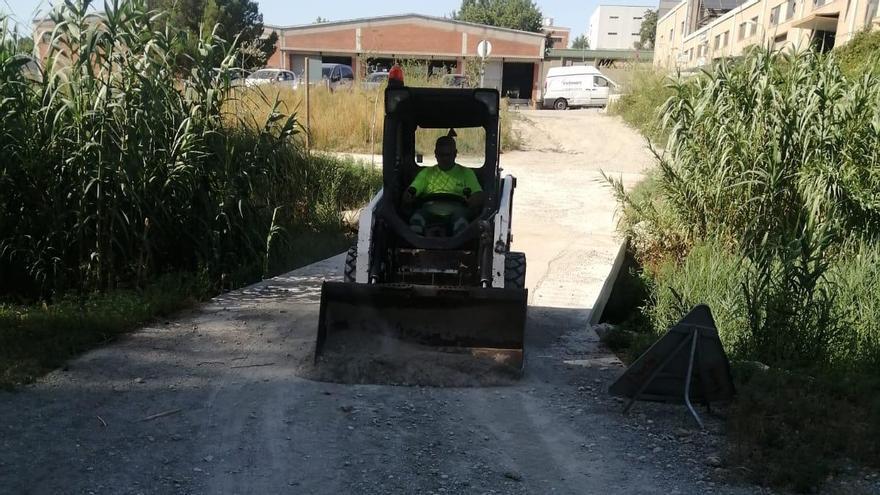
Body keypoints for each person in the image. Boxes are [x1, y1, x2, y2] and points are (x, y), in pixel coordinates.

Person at [402, 135, 486, 236]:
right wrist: (408, 196)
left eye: (448, 155)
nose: (445, 158)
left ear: (455, 154)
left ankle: (461, 249)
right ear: (436, 154)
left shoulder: (466, 173)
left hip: (457, 211)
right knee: (416, 219)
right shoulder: (426, 173)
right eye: (441, 155)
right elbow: (412, 190)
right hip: (429, 210)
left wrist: (474, 200)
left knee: (461, 222)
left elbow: (478, 194)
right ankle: (414, 249)